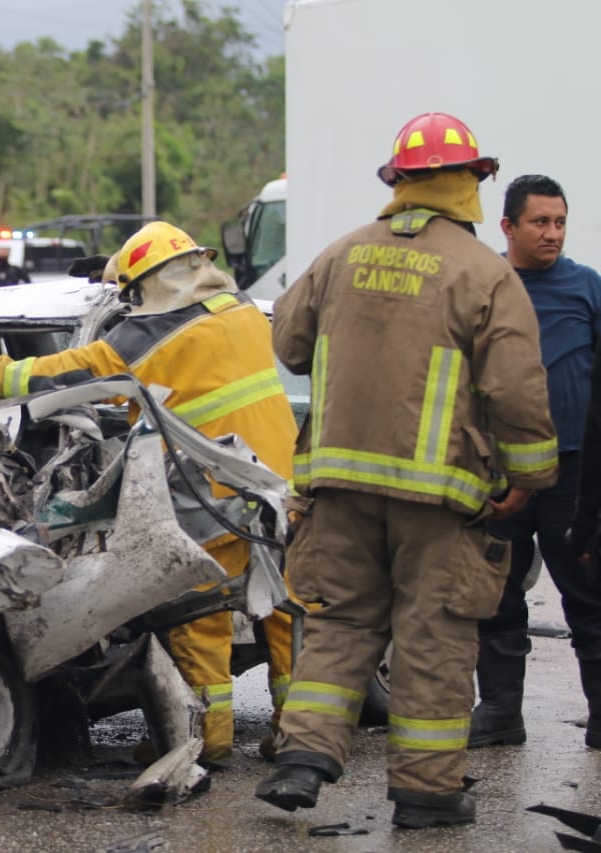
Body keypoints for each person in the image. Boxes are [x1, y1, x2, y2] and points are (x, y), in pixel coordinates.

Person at [254, 112, 558, 830]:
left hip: (338, 488)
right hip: (440, 497)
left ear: (399, 184)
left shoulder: (339, 255)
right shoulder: (485, 273)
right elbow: (517, 389)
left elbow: (289, 343)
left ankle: (302, 760)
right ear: (472, 183)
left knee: (341, 622)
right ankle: (425, 793)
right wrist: (531, 475)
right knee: (434, 634)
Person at [0, 221, 300, 768]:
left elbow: (67, 372)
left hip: (210, 493)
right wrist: (117, 275)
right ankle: (298, 733)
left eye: (133, 293)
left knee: (196, 611)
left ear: (150, 285)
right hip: (274, 487)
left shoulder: (147, 337)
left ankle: (211, 738)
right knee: (282, 605)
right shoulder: (243, 310)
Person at [469, 175, 601, 752]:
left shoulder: (587, 289)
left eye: (560, 222)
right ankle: (500, 713)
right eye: (540, 222)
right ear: (508, 227)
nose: (553, 233)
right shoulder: (484, 287)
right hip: (500, 473)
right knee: (496, 597)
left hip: (572, 473)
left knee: (589, 596)